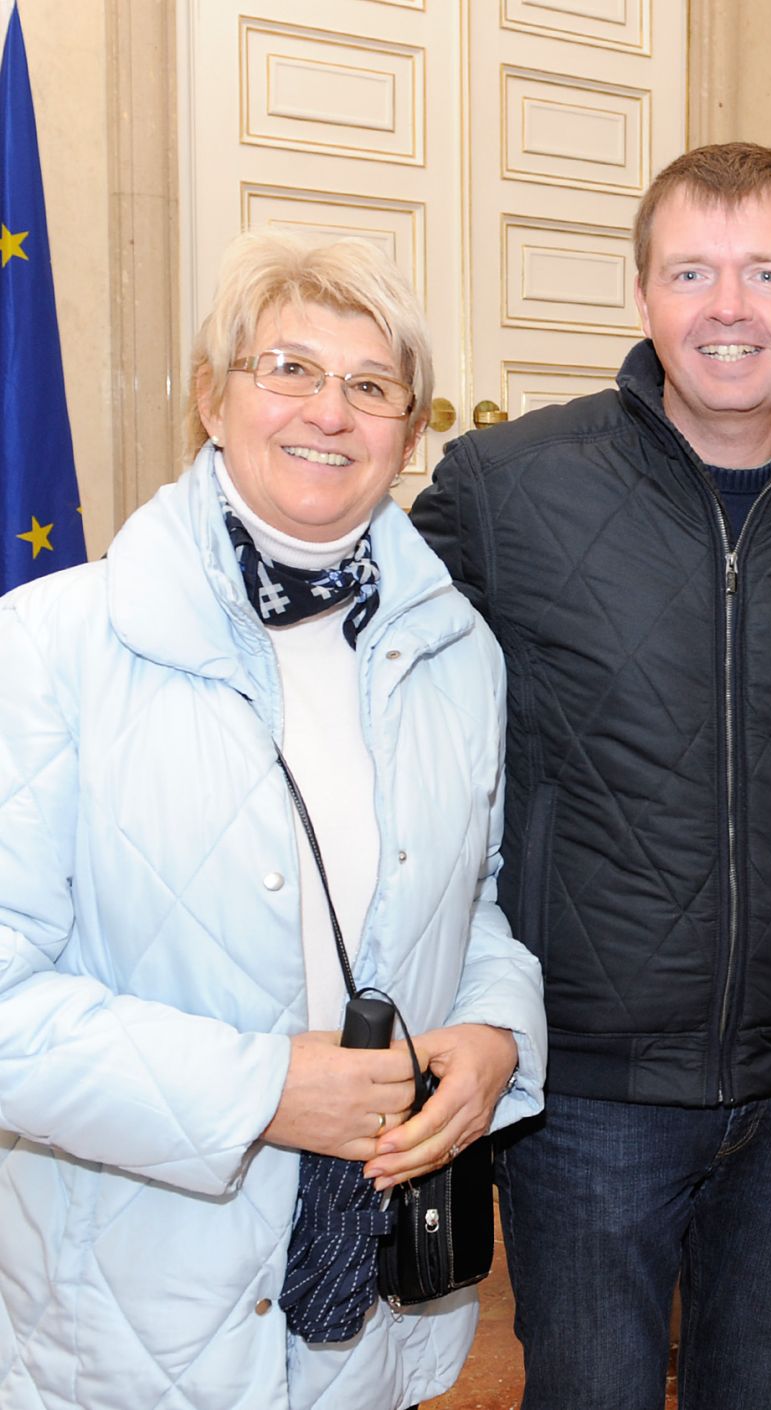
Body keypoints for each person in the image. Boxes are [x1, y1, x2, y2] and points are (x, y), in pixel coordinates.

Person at [410, 142, 771, 1410]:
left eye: (765, 272)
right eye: (691, 272)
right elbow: (374, 704)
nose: (727, 306)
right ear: (642, 295)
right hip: (584, 1096)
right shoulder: (504, 490)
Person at [0, 231, 547, 1410]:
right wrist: (257, 1091)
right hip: (135, 1322)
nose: (329, 412)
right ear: (211, 396)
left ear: (408, 428)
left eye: (370, 385)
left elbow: (479, 905)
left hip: (373, 1320)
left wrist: (496, 1039)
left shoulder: (460, 658)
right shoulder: (51, 646)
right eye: (288, 368)